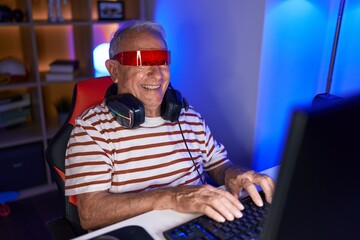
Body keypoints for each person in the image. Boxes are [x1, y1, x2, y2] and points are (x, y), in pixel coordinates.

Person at [65, 20, 275, 231]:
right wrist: (172, 197)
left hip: (200, 228)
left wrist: (233, 175)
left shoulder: (187, 115)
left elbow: (218, 163)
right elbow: (90, 213)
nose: (157, 74)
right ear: (114, 71)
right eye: (142, 61)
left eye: (162, 61)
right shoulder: (90, 128)